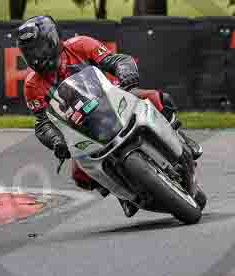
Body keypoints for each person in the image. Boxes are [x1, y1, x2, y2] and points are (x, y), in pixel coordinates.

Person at [17, 15, 202, 218]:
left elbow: (117, 60)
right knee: (80, 175)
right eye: (30, 53)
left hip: (116, 98)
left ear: (53, 40)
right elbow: (42, 122)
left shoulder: (80, 45)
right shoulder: (32, 85)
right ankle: (122, 192)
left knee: (157, 99)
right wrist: (56, 141)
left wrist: (126, 71)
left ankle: (179, 137)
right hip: (81, 128)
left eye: (40, 49)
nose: (36, 56)